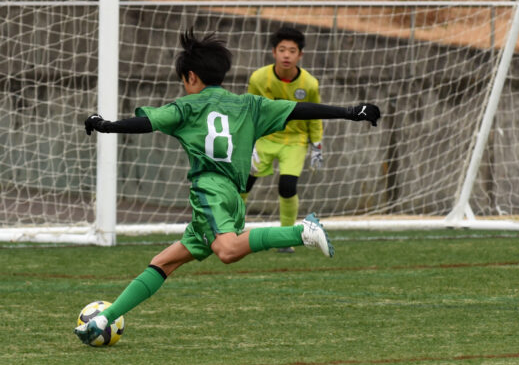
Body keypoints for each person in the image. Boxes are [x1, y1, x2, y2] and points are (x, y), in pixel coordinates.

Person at [74, 28, 380, 345]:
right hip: (234, 196)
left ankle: (301, 231)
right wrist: (351, 112)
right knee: (164, 262)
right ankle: (103, 319)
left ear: (191, 77)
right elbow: (298, 110)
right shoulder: (249, 105)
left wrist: (105, 125)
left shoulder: (186, 107)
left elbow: (146, 123)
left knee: (228, 250)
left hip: (209, 189)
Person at [242, 26, 322, 253]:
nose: (287, 55)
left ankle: (286, 239)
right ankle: (228, 229)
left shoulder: (309, 84)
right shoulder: (259, 78)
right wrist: (248, 143)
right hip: (265, 138)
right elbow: (249, 112)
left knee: (287, 186)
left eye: (292, 51)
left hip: (295, 140)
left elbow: (315, 115)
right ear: (273, 52)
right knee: (243, 183)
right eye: (282, 50)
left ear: (300, 55)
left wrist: (317, 145)